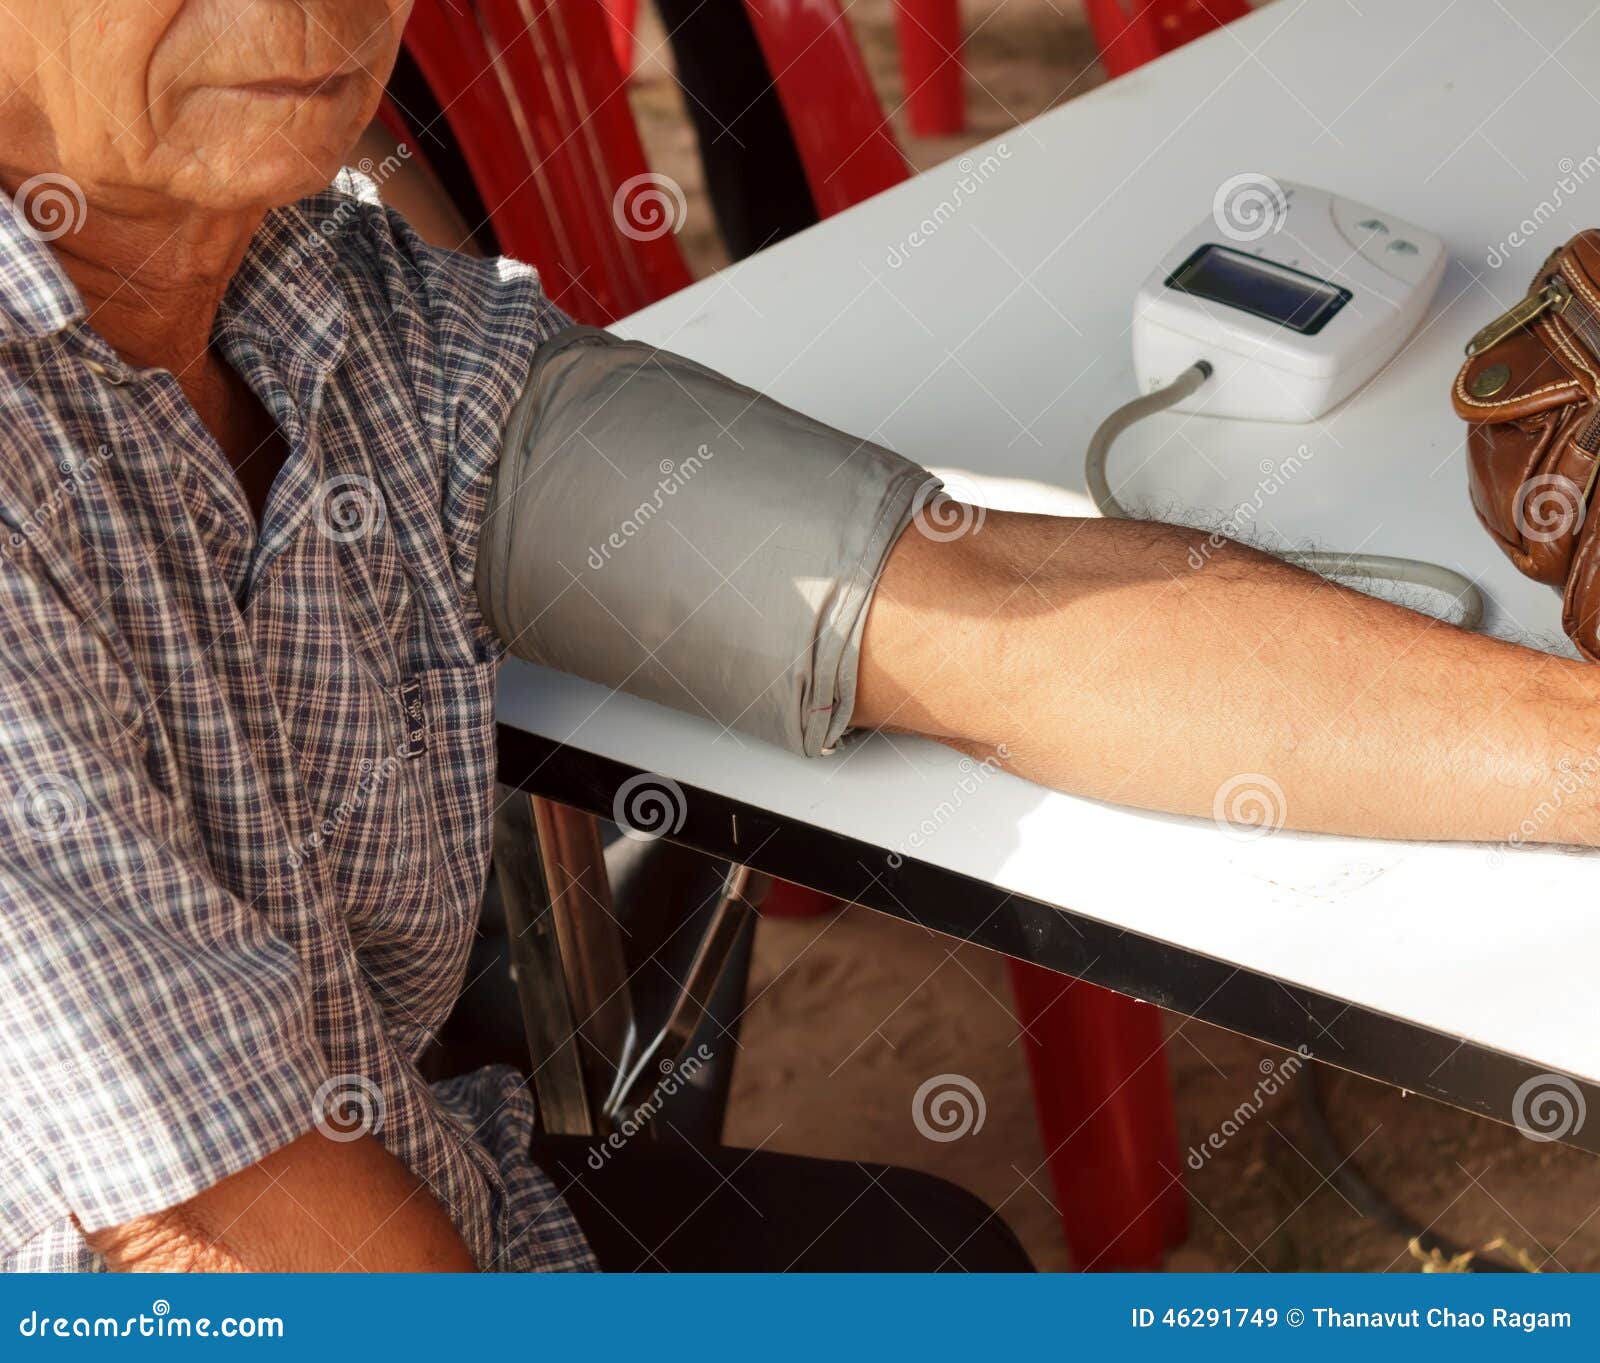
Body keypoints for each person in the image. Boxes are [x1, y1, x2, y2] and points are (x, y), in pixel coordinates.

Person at [0, 1, 1596, 1275]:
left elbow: (1001, 617)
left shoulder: (335, 308)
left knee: (929, 1255)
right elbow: (219, 1240)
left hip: (443, 1205)